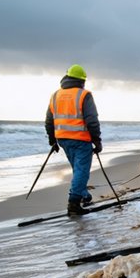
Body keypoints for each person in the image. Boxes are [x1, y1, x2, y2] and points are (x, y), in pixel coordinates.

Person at [45, 64, 103, 216]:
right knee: (82, 171)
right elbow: (92, 119)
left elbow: (49, 121)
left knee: (78, 170)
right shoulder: (84, 95)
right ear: (82, 81)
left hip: (63, 139)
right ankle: (74, 203)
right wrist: (97, 140)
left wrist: (52, 140)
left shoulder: (56, 95)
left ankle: (83, 195)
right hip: (81, 140)